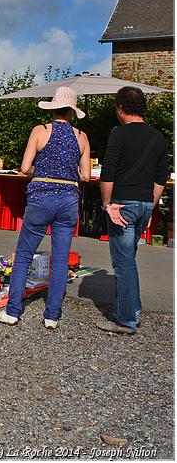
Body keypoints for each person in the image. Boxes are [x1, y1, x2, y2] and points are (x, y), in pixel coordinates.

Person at [0, 86, 90, 330]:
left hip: (41, 197)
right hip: (68, 199)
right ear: (72, 112)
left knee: (24, 255)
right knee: (60, 260)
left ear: (53, 108)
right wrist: (66, 173)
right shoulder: (81, 137)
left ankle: (13, 312)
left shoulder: (40, 131)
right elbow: (85, 176)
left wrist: (43, 172)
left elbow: (25, 168)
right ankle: (52, 316)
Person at [96, 86, 169, 335]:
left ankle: (125, 320)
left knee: (123, 263)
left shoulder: (119, 134)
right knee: (129, 260)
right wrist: (149, 206)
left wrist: (106, 205)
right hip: (145, 203)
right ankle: (132, 312)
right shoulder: (158, 137)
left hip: (121, 204)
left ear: (120, 108)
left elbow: (109, 171)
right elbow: (161, 177)